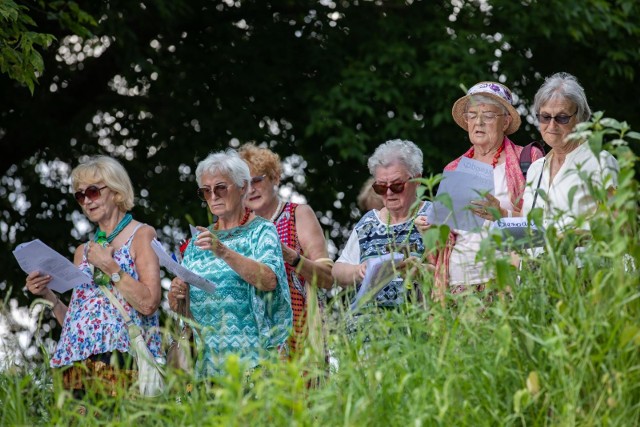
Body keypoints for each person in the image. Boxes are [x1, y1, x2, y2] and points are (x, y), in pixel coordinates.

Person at [25, 155, 162, 397]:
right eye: (80, 195)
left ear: (116, 191)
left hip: (119, 358)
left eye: (93, 191)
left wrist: (111, 268)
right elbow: (78, 321)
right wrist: (48, 295)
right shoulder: (83, 251)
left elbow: (149, 303)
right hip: (74, 361)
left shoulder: (141, 235)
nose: (87, 200)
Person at [167, 149, 292, 379]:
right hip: (206, 366)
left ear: (242, 187)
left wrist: (223, 251)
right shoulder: (198, 241)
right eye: (206, 191)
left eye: (220, 188)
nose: (213, 196)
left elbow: (269, 280)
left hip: (253, 363)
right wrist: (176, 296)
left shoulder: (262, 231)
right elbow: (182, 311)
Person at [416, 81, 544, 298]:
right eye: (472, 115)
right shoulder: (454, 169)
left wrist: (502, 215)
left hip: (507, 280)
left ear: (505, 121)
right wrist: (430, 229)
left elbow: (541, 227)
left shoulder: (529, 160)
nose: (479, 122)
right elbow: (445, 240)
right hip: (458, 282)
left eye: (488, 115)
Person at [238, 143, 333, 360]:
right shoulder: (237, 230)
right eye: (244, 184)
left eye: (257, 180)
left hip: (299, 332)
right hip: (251, 340)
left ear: (275, 178)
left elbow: (328, 278)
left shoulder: (298, 214)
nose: (251, 189)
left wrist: (291, 256)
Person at [333, 139, 432, 308]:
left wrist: (420, 270)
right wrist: (358, 271)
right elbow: (337, 271)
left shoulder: (434, 215)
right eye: (380, 187)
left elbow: (455, 272)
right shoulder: (368, 223)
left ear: (417, 180)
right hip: (366, 328)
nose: (388, 193)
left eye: (397, 186)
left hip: (418, 327)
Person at [522, 72, 618, 229]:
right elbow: (529, 224)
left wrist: (573, 238)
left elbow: (620, 226)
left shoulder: (600, 162)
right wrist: (501, 212)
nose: (552, 126)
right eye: (545, 117)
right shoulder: (536, 168)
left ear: (579, 118)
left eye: (562, 118)